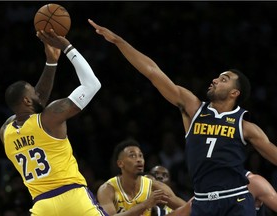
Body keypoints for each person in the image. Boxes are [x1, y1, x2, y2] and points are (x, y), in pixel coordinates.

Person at [89, 19, 277, 216]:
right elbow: (153, 72)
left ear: (234, 93)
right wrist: (119, 41)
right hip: (203, 202)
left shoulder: (245, 126)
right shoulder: (193, 109)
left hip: (235, 199)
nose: (215, 80)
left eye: (224, 79)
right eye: (217, 77)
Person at [0, 28, 107, 216]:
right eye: (32, 91)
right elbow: (92, 84)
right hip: (73, 197)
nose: (37, 93)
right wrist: (67, 47)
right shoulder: (50, 118)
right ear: (26, 100)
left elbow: (35, 102)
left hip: (42, 207)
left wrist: (51, 62)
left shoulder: (5, 132)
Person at [96, 139, 186, 216]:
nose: (139, 159)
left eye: (140, 155)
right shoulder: (107, 189)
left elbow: (187, 208)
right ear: (120, 163)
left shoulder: (154, 186)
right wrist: (145, 205)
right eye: (132, 156)